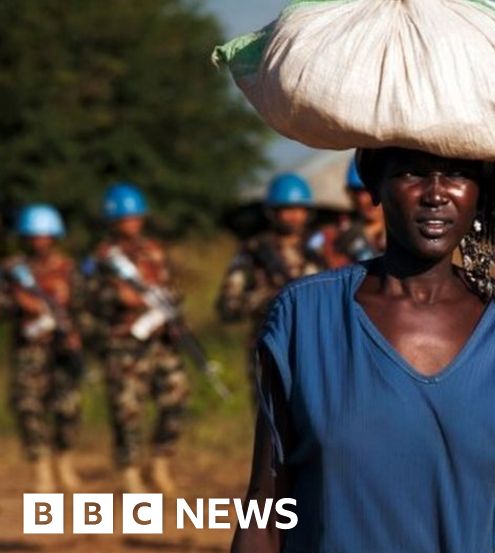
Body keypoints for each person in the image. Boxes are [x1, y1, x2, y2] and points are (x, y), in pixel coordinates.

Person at [230, 147, 495, 553]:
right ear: (375, 188)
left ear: (479, 191)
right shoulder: (306, 318)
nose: (436, 193)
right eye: (411, 173)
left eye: (457, 174)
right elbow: (266, 508)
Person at [88, 183, 190, 493]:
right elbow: (87, 299)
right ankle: (130, 472)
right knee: (127, 410)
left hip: (160, 341)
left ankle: (160, 464)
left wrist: (172, 312)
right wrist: (117, 297)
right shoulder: (102, 258)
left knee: (176, 396)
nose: (132, 223)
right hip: (123, 344)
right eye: (125, 218)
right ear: (113, 221)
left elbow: (172, 288)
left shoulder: (155, 251)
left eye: (136, 217)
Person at [216, 173, 323, 405]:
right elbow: (227, 306)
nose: (294, 216)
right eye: (287, 209)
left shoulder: (319, 248)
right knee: (273, 429)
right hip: (271, 349)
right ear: (272, 212)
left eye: (299, 208)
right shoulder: (254, 252)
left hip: (316, 351)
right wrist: (269, 300)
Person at [1, 204, 85, 492]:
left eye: (45, 235)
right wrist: (18, 303)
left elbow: (84, 307)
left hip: (62, 350)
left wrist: (77, 333)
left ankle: (64, 459)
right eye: (33, 236)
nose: (40, 241)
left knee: (68, 408)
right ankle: (41, 468)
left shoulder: (68, 269)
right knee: (28, 407)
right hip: (29, 351)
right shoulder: (13, 270)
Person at [311, 161, 387, 268]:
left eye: (374, 189)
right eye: (362, 191)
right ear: (351, 195)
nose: (371, 199)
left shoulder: (404, 227)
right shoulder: (342, 237)